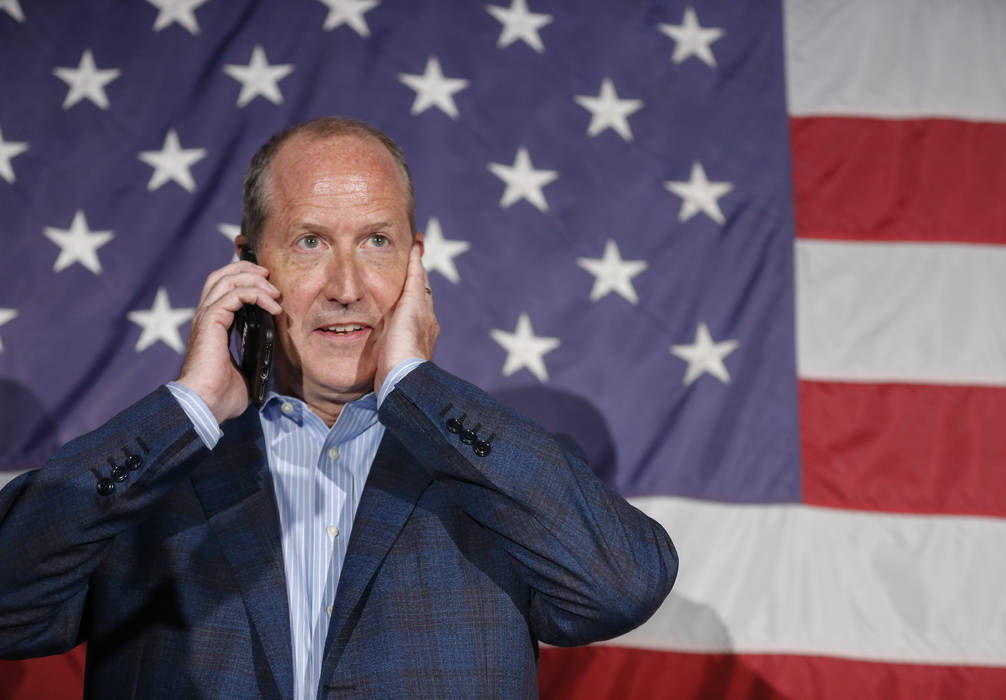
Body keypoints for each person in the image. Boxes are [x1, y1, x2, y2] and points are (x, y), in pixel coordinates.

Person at [0, 117, 678, 699]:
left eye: (376, 242)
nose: (347, 287)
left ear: (416, 267)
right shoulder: (156, 464)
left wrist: (417, 386)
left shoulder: (490, 465)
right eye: (310, 242)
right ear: (248, 263)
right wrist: (191, 409)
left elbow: (624, 586)